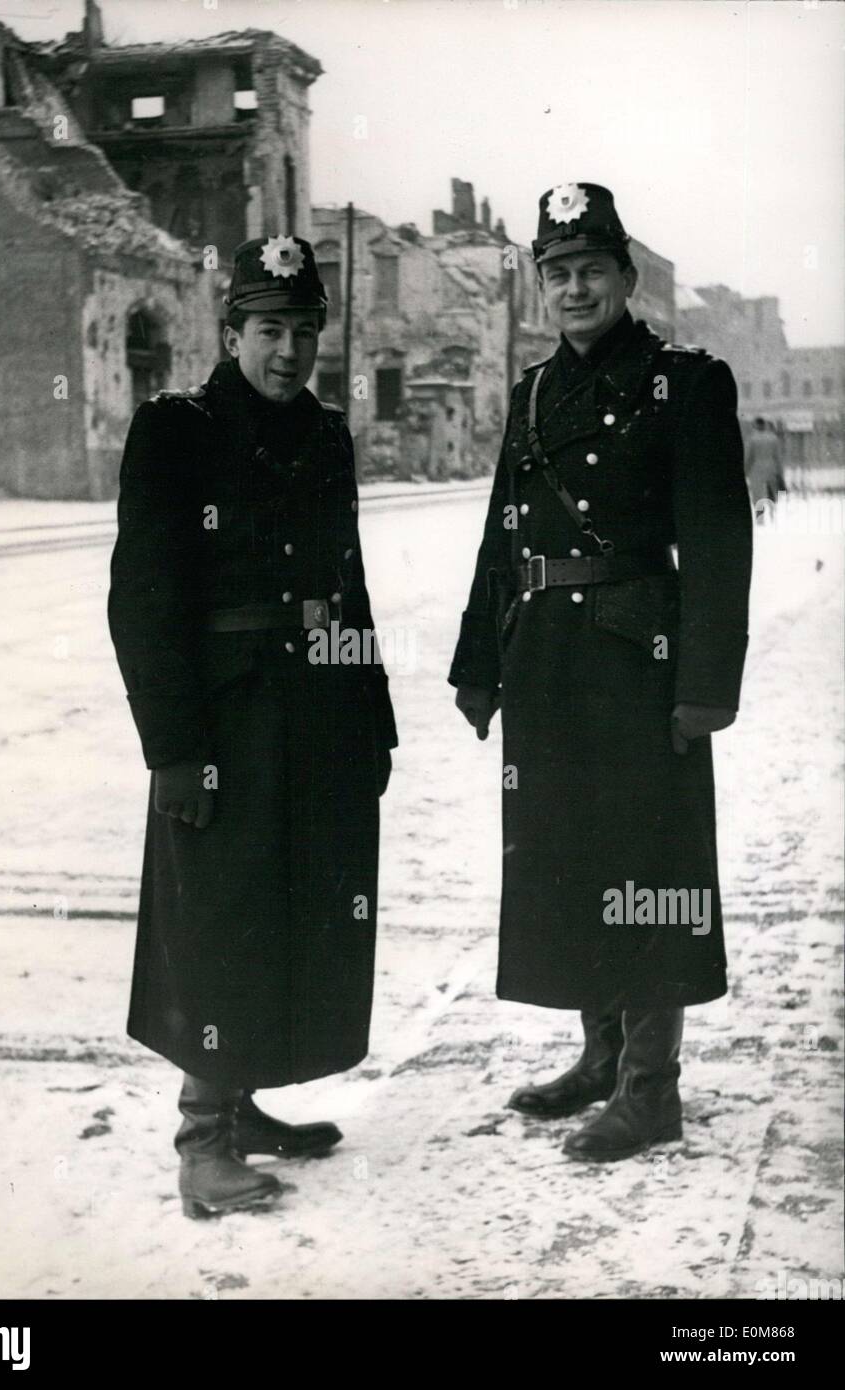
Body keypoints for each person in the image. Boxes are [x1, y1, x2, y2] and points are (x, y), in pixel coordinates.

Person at [449, 183, 753, 1162]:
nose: (573, 288)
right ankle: (598, 1052)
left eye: (590, 270)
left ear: (626, 279)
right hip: (545, 658)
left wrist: (704, 680)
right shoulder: (535, 391)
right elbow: (503, 530)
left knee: (649, 865)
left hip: (638, 653)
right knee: (571, 854)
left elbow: (716, 539)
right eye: (557, 273)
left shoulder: (686, 380)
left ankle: (649, 1087)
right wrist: (478, 662)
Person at [108, 234, 396, 1215]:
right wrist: (174, 749)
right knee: (222, 914)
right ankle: (202, 1144)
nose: (289, 352)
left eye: (304, 332)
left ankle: (247, 1095)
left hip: (317, 714)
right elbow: (142, 603)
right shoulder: (175, 430)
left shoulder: (323, 434)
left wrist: (375, 714)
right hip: (224, 723)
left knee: (292, 906)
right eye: (270, 330)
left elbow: (347, 586)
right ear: (230, 331)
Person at [746, 415, 787, 507]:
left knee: (757, 496)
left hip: (756, 469)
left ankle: (760, 518)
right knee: (771, 493)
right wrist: (780, 472)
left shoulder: (752, 439)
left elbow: (748, 457)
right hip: (771, 468)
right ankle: (773, 516)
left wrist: (745, 471)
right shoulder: (773, 438)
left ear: (755, 426)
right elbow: (778, 457)